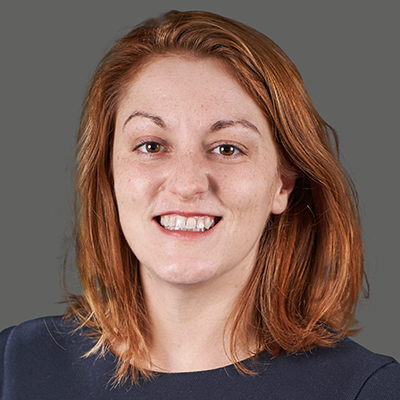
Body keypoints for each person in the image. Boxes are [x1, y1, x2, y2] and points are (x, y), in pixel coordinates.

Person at [1, 10, 399, 399]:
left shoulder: (367, 389)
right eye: (151, 146)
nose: (187, 184)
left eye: (227, 148)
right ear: (109, 174)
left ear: (282, 183)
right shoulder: (14, 367)